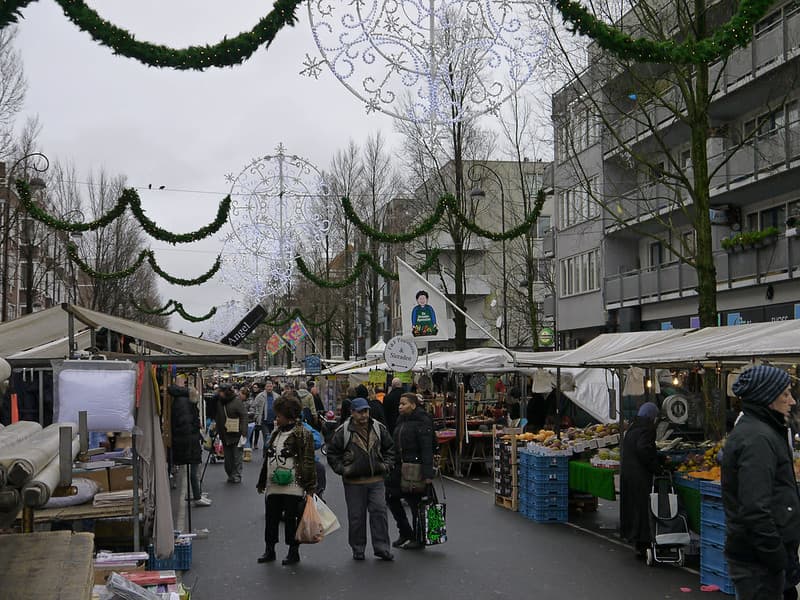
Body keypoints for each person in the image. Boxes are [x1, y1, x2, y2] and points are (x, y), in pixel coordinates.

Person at [722, 365, 800, 599]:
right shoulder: (758, 439)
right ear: (767, 398)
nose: (792, 401)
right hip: (759, 562)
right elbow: (755, 509)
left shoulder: (762, 431)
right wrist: (777, 558)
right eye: (785, 394)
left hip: (760, 558)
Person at [327, 397, 396, 561]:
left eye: (366, 411)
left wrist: (386, 466)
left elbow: (390, 449)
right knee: (356, 517)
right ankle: (358, 548)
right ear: (352, 413)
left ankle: (382, 548)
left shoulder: (378, 428)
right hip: (354, 482)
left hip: (376, 479)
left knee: (379, 513)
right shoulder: (343, 431)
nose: (364, 415)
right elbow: (332, 454)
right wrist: (344, 470)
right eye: (360, 412)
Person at [256, 393, 317, 565]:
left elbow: (308, 460)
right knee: (271, 518)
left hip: (294, 486)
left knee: (291, 520)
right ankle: (270, 549)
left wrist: (310, 488)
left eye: (279, 415)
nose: (276, 419)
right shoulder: (276, 433)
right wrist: (263, 481)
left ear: (288, 416)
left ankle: (293, 551)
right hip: (273, 485)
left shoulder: (303, 434)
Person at [387, 392, 438, 549]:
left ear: (413, 405)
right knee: (391, 497)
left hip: (415, 468)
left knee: (416, 503)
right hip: (399, 466)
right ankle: (405, 532)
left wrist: (428, 474)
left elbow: (427, 448)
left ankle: (419, 537)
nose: (400, 406)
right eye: (400, 404)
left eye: (404, 404)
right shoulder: (401, 420)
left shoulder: (422, 421)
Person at [620, 401, 662, 557]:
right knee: (643, 508)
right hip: (640, 475)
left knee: (633, 506)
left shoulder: (633, 426)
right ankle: (644, 541)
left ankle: (635, 539)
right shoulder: (647, 428)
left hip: (628, 472)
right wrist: (657, 468)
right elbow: (643, 448)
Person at [169, 381, 211, 506]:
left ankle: (196, 493)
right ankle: (196, 496)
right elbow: (186, 424)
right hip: (189, 442)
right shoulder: (185, 403)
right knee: (193, 467)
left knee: (193, 468)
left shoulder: (182, 401)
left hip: (187, 440)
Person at [216, 384, 248, 483]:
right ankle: (230, 474)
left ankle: (237, 475)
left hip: (236, 433)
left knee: (237, 456)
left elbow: (244, 415)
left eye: (220, 391)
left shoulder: (236, 401)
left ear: (226, 392)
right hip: (224, 434)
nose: (219, 393)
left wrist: (243, 431)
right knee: (228, 459)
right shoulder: (220, 402)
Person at [258, 380, 278, 454]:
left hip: (274, 421)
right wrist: (258, 416)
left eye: (271, 386)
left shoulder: (276, 396)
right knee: (266, 437)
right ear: (265, 387)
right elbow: (255, 406)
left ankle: (270, 452)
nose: (269, 388)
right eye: (268, 386)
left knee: (273, 437)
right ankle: (266, 453)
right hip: (264, 421)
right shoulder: (260, 396)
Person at [248, 383, 265, 450]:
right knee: (251, 430)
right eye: (254, 387)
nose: (255, 388)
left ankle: (255, 443)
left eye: (256, 387)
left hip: (258, 415)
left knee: (257, 430)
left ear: (258, 388)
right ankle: (250, 443)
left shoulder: (260, 395)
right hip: (251, 415)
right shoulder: (250, 395)